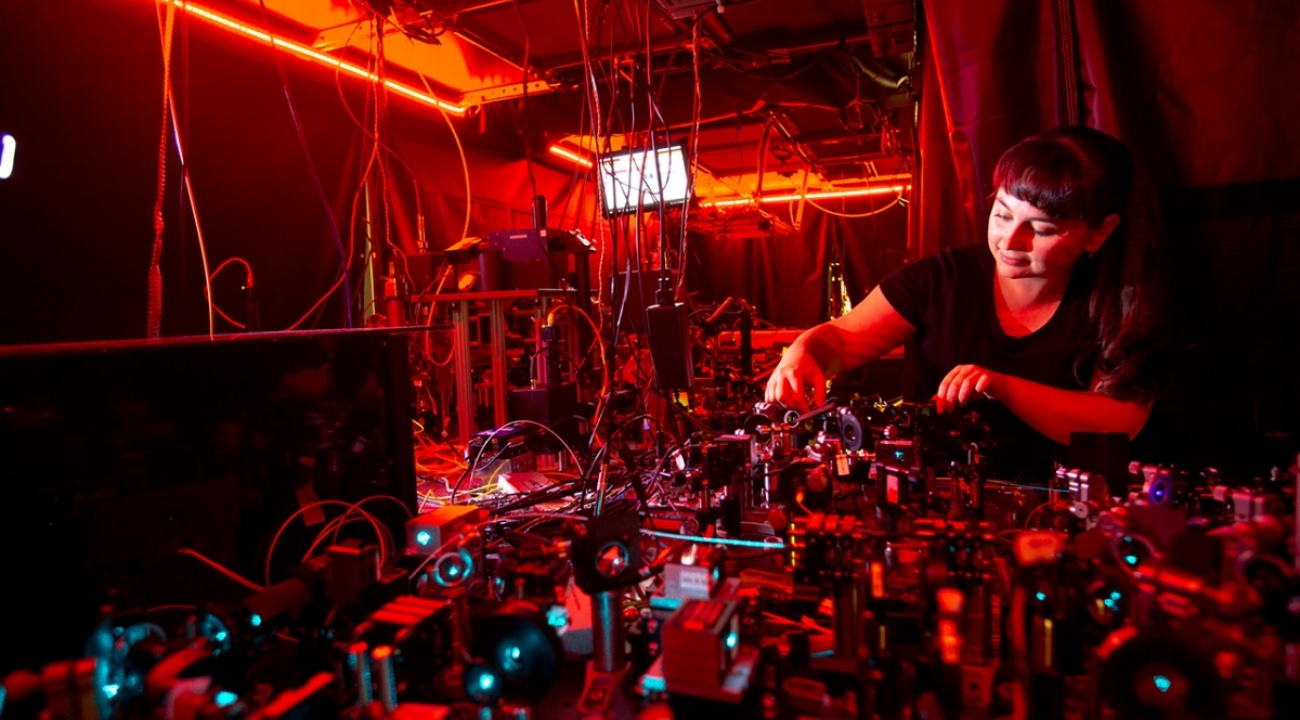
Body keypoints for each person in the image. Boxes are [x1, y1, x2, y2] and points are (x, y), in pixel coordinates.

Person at [765, 126, 1165, 477]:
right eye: (1003, 214)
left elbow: (1120, 419)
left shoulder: (1121, 301)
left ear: (1099, 232)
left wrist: (1004, 387)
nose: (1011, 242)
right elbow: (843, 339)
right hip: (931, 491)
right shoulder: (942, 277)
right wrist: (805, 351)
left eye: (1041, 229)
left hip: (1056, 502)